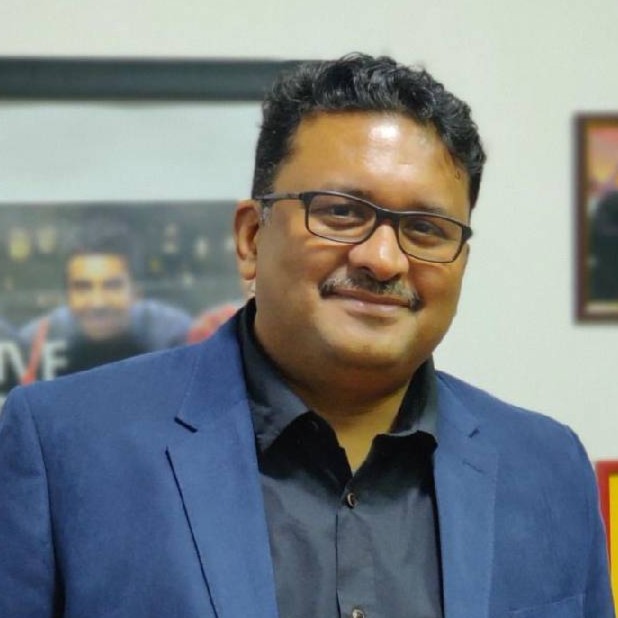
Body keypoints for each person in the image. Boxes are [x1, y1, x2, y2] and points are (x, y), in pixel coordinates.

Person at [0, 54, 613, 618]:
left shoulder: (546, 467)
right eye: (341, 212)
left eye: (426, 228)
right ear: (251, 237)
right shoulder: (66, 448)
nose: (383, 259)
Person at [18, 221, 192, 381]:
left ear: (137, 293)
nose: (97, 303)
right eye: (83, 287)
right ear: (67, 295)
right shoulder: (36, 343)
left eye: (111, 286)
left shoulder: (175, 338)